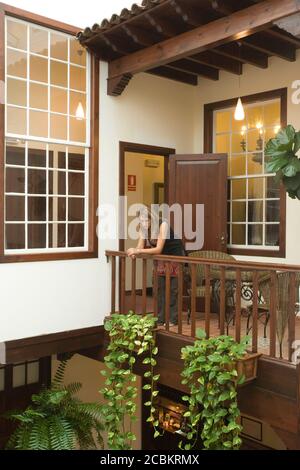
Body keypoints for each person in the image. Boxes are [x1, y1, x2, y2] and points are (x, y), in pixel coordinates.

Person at [127, 206, 186, 326]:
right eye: (141, 221)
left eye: (146, 220)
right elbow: (140, 247)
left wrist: (138, 251)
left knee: (173, 289)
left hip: (175, 256)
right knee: (159, 288)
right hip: (161, 258)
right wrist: (134, 252)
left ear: (151, 218)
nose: (144, 223)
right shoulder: (143, 229)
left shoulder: (162, 224)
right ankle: (160, 318)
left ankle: (172, 319)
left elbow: (158, 249)